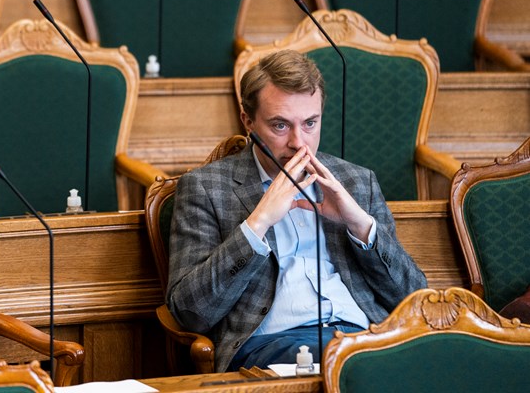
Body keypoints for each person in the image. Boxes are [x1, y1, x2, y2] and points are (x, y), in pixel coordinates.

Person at [166, 49, 426, 372]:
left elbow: (415, 297)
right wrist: (257, 224)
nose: (298, 142)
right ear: (248, 121)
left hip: (364, 341)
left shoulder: (357, 182)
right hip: (273, 348)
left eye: (310, 123)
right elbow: (189, 311)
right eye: (280, 126)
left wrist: (360, 226)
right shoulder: (205, 188)